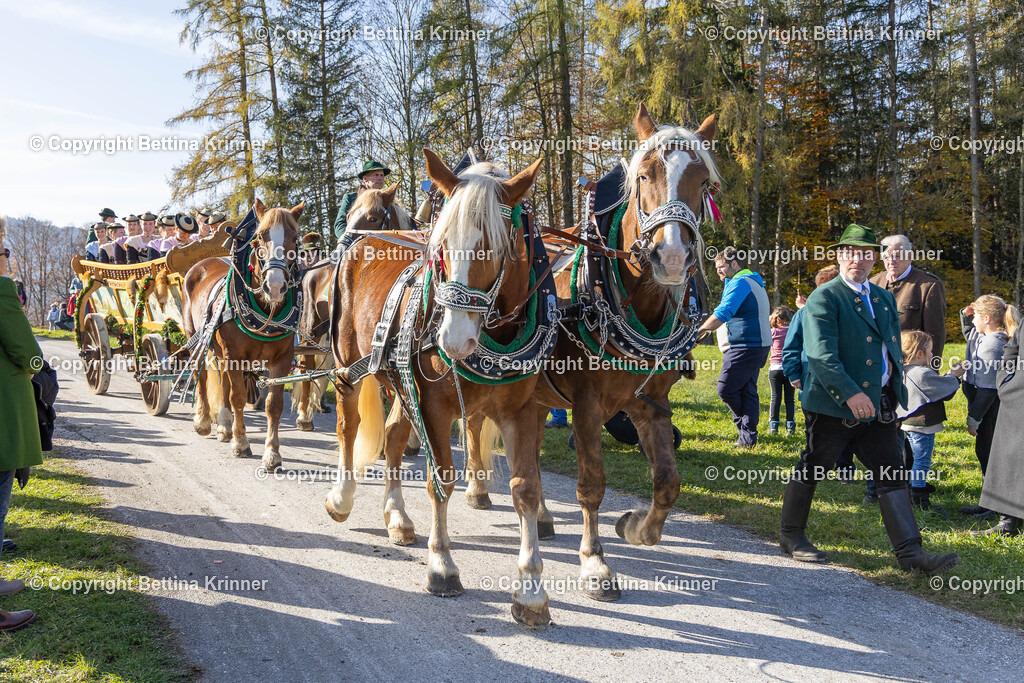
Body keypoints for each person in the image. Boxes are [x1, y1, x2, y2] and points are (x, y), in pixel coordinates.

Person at [778, 223, 958, 574]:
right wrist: (850, 393)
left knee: (892, 474)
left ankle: (911, 556)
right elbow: (820, 355)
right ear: (839, 256)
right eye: (850, 253)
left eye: (865, 254)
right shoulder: (825, 297)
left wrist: (895, 389)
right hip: (834, 405)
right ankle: (791, 535)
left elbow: (891, 349)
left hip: (881, 405)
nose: (857, 260)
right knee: (814, 466)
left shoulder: (882, 296)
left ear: (874, 258)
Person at [0, 218, 41, 631]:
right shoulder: (0, 291)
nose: (7, 259)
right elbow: (26, 351)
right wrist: (35, 369)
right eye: (4, 251)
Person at [696, 247, 771, 448]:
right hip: (756, 345)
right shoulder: (749, 280)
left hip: (746, 346)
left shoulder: (741, 282)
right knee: (747, 390)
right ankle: (748, 438)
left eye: (722, 267)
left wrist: (700, 332)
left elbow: (724, 311)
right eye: (717, 268)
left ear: (734, 264)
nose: (719, 271)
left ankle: (745, 427)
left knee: (726, 389)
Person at [958, 296, 1018, 518]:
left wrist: (974, 418)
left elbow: (988, 390)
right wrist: (966, 314)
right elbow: (969, 333)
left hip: (992, 411)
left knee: (992, 457)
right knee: (984, 453)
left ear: (987, 318)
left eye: (975, 317)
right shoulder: (983, 336)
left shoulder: (993, 345)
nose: (972, 321)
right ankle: (988, 502)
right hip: (985, 408)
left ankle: (998, 507)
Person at [897, 330, 965, 510]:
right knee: (922, 461)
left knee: (914, 458)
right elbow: (944, 389)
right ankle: (920, 498)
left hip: (908, 424)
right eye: (931, 351)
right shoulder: (921, 373)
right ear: (920, 353)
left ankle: (910, 491)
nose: (933, 354)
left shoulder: (904, 370)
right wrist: (954, 374)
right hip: (922, 426)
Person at [975, 316, 1024, 536]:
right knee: (1011, 456)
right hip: (1017, 397)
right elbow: (1013, 347)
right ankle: (1009, 522)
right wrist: (1006, 380)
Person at [870, 235, 946, 366]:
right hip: (878, 364)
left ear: (909, 257)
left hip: (911, 367)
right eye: (886, 257)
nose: (891, 261)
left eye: (897, 256)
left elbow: (935, 334)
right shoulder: (873, 283)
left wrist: (932, 369)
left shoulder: (927, 285)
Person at [334, 160, 390, 246]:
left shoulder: (387, 200)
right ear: (365, 179)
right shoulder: (351, 198)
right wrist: (348, 242)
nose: (380, 178)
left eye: (382, 175)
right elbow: (340, 224)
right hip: (354, 246)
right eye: (376, 175)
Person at [768, 306, 796, 436]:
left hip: (775, 368)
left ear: (778, 319)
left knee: (775, 398)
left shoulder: (772, 332)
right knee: (790, 399)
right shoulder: (793, 331)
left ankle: (774, 425)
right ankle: (790, 425)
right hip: (790, 368)